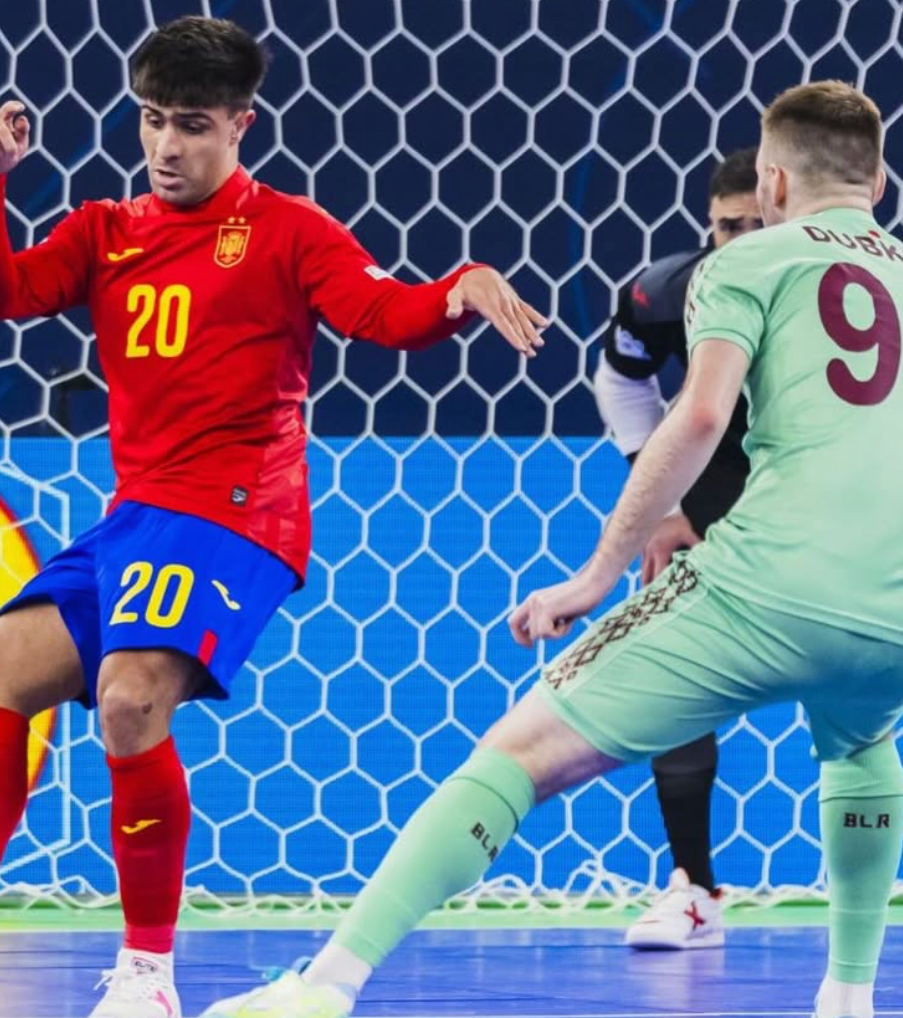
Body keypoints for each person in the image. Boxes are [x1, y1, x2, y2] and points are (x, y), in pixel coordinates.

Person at [201, 79, 903, 1018]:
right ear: (879, 183)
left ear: (771, 183)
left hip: (767, 585)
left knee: (518, 753)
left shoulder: (744, 262)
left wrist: (597, 574)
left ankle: (322, 988)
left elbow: (699, 416)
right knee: (859, 746)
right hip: (892, 607)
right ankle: (849, 999)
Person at [0, 15, 547, 1018]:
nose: (165, 145)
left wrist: (462, 287)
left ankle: (146, 976)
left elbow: (385, 316)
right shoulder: (106, 230)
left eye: (191, 125)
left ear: (241, 124)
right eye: (152, 119)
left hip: (240, 515)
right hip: (136, 516)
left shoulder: (288, 230)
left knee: (128, 701)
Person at [593, 146, 763, 949]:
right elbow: (621, 378)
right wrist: (661, 507)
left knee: (858, 712)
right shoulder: (665, 295)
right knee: (674, 685)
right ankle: (694, 890)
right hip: (711, 522)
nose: (743, 244)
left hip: (829, 523)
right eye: (729, 227)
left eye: (760, 225)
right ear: (708, 226)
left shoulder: (856, 292)